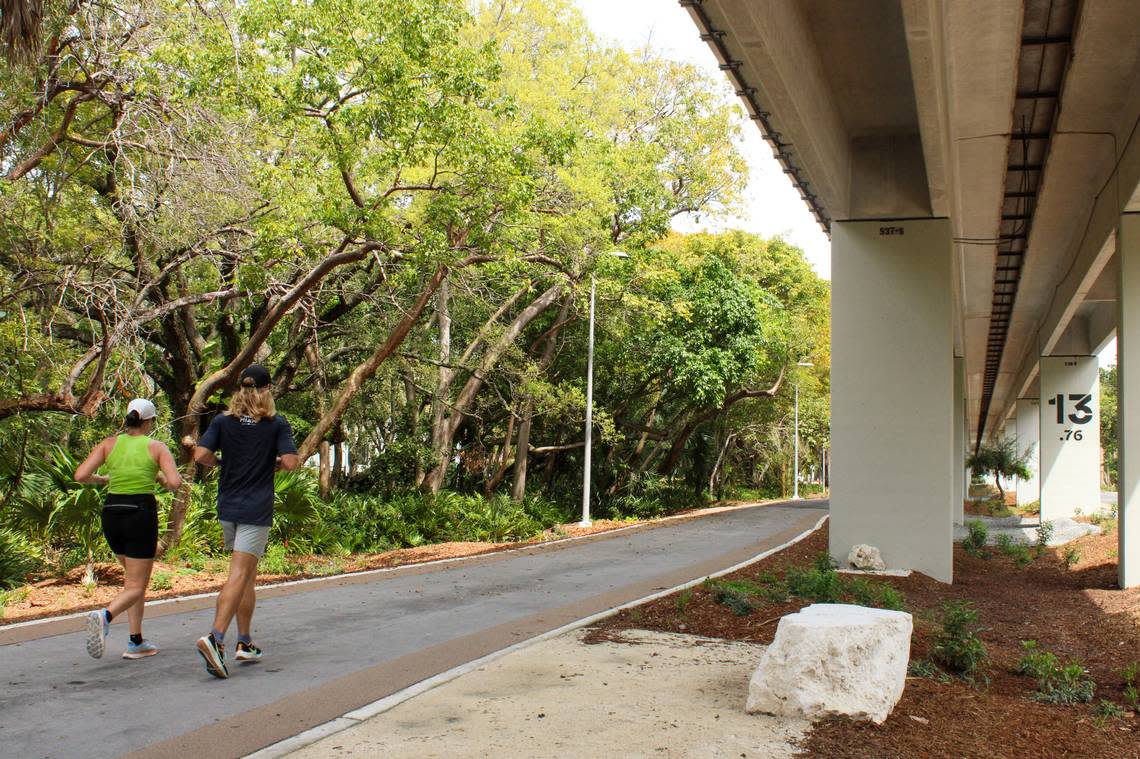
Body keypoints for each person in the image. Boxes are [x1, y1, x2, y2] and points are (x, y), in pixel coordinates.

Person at [185, 364, 298, 679]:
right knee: (239, 574)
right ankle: (216, 637)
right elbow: (290, 461)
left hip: (228, 508)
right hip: (255, 509)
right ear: (266, 391)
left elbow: (201, 455)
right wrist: (272, 461)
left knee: (247, 575)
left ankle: (244, 641)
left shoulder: (223, 421)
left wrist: (223, 460)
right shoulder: (276, 424)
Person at [74, 398, 183, 660]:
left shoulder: (109, 444)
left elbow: (80, 476)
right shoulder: (156, 447)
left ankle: (136, 641)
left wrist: (101, 479)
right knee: (137, 584)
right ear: (148, 421)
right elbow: (175, 483)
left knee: (133, 582)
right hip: (139, 513)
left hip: (112, 512)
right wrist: (158, 476)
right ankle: (104, 616)